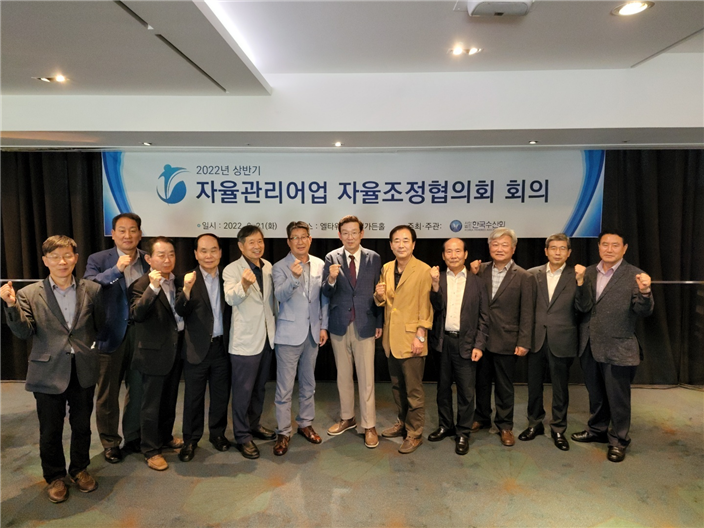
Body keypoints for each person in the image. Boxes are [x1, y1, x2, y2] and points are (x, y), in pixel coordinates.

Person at [1, 235, 104, 503]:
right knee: (50, 430)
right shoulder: (28, 294)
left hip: (82, 368)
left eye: (67, 255)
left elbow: (100, 326)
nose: (62, 261)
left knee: (82, 426)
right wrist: (11, 304)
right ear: (45, 261)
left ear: (76, 258)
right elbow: (24, 332)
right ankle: (55, 476)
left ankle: (79, 469)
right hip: (47, 372)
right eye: (55, 257)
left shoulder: (92, 290)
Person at [571, 230, 654, 462]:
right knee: (596, 394)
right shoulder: (587, 272)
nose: (609, 249)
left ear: (624, 248)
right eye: (605, 244)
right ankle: (597, 430)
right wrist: (580, 284)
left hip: (618, 347)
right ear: (598, 247)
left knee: (618, 399)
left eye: (615, 245)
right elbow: (582, 307)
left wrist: (645, 291)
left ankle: (619, 440)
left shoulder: (635, 275)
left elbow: (643, 311)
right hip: (589, 344)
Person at [84, 212, 148, 463]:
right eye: (122, 230)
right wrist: (115, 270)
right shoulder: (99, 259)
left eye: (133, 230)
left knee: (138, 390)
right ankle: (110, 442)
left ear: (140, 234)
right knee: (108, 393)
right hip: (110, 334)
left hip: (141, 335)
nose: (127, 235)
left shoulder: (148, 259)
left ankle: (133, 437)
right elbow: (88, 288)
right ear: (113, 234)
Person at [322, 215, 383, 448]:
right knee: (343, 376)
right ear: (339, 235)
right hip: (339, 324)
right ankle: (347, 418)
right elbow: (326, 293)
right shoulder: (331, 257)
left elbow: (379, 291)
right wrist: (331, 278)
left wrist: (379, 322)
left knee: (367, 378)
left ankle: (369, 425)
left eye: (354, 232)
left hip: (365, 323)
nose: (350, 237)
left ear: (361, 233)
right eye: (345, 233)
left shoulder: (374, 258)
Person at [471, 227, 534, 447]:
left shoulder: (524, 276)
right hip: (481, 339)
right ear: (489, 247)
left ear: (513, 249)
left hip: (508, 340)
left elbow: (527, 312)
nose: (499, 249)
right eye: (495, 244)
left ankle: (505, 425)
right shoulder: (479, 270)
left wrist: (524, 341)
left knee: (504, 386)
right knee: (481, 383)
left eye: (504, 245)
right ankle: (481, 417)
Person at [271, 221, 329, 456]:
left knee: (308, 384)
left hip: (312, 333)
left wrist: (323, 326)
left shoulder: (320, 264)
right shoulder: (279, 267)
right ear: (288, 241)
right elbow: (279, 295)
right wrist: (294, 278)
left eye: (304, 236)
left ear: (310, 239)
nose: (300, 241)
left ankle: (305, 423)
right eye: (295, 237)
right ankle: (283, 432)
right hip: (288, 335)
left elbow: (323, 299)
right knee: (284, 388)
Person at [375, 225, 433, 454]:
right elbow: (384, 301)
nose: (401, 245)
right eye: (396, 241)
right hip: (391, 339)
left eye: (405, 240)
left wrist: (420, 336)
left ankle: (415, 433)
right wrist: (378, 296)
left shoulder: (423, 270)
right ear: (391, 245)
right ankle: (402, 423)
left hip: (412, 340)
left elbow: (426, 306)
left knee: (413, 391)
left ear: (414, 244)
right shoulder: (387, 268)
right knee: (397, 387)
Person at [428, 238, 489, 455]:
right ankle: (445, 425)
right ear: (443, 256)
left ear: (465, 254)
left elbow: (484, 317)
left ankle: (463, 432)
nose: (453, 255)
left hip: (467, 343)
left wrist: (479, 345)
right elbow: (435, 308)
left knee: (466, 392)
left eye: (457, 251)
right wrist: (435, 286)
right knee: (443, 388)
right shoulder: (438, 279)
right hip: (442, 342)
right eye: (449, 252)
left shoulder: (477, 282)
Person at [174, 233, 232, 462]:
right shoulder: (186, 278)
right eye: (203, 251)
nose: (209, 255)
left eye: (213, 250)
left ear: (220, 252)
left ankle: (217, 434)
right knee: (193, 398)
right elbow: (180, 309)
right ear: (196, 254)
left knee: (220, 396)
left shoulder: (228, 276)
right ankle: (190, 440)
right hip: (196, 348)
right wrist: (187, 289)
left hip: (222, 347)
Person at [520, 233, 580, 451]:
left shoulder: (577, 276)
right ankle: (534, 423)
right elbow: (524, 309)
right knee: (533, 385)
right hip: (535, 338)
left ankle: (558, 428)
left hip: (562, 339)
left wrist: (582, 284)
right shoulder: (531, 274)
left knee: (560, 388)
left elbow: (583, 307)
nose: (557, 252)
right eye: (553, 248)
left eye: (562, 248)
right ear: (546, 251)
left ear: (569, 252)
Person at [130, 236, 185, 471]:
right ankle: (151, 449)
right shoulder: (141, 284)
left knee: (169, 400)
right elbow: (137, 314)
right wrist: (153, 288)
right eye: (161, 255)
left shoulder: (179, 281)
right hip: (152, 354)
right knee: (151, 405)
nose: (167, 259)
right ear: (149, 259)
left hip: (175, 350)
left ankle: (165, 437)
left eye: (171, 254)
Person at [222, 225, 277, 459]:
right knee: (243, 392)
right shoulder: (232, 269)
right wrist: (244, 284)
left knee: (259, 389)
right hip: (244, 342)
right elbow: (230, 298)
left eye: (260, 241)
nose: (257, 246)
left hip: (267, 338)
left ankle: (254, 425)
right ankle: (242, 436)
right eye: (251, 242)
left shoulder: (268, 267)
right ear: (241, 246)